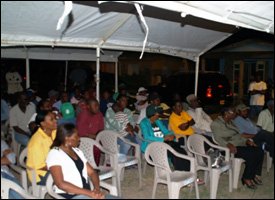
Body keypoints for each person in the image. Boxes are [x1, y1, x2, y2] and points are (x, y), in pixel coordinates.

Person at [46, 123, 118, 199]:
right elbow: (60, 184)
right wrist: (90, 193)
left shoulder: (77, 151)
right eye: (76, 136)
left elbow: (92, 172)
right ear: (67, 138)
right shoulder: (55, 154)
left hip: (87, 193)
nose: (79, 138)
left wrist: (96, 189)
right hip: (70, 195)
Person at [211, 107, 264, 189]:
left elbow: (239, 135)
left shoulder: (231, 122)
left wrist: (247, 141)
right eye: (234, 112)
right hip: (227, 148)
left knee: (259, 151)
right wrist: (228, 144)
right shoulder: (216, 123)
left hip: (239, 144)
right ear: (226, 113)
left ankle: (252, 175)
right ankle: (247, 178)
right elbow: (218, 138)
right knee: (252, 154)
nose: (236, 114)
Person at [140, 105, 190, 171]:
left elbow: (166, 131)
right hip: (152, 146)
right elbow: (147, 137)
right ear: (152, 114)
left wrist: (172, 135)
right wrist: (163, 139)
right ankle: (182, 171)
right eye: (157, 113)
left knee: (181, 150)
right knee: (174, 152)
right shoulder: (143, 123)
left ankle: (188, 171)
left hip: (164, 143)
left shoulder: (157, 121)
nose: (159, 115)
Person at [26, 110, 57, 185]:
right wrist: (60, 165)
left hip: (53, 164)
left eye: (55, 118)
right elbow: (40, 166)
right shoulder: (36, 142)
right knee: (69, 177)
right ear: (43, 124)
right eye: (52, 119)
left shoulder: (54, 131)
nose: (55, 121)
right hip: (40, 174)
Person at [76, 99, 104, 165]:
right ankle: (93, 167)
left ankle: (101, 165)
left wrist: (99, 138)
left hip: (95, 137)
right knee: (96, 147)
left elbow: (101, 129)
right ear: (88, 107)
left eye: (98, 105)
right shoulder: (83, 115)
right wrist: (96, 138)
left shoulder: (99, 114)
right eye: (95, 106)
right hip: (83, 140)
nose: (97, 107)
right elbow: (82, 133)